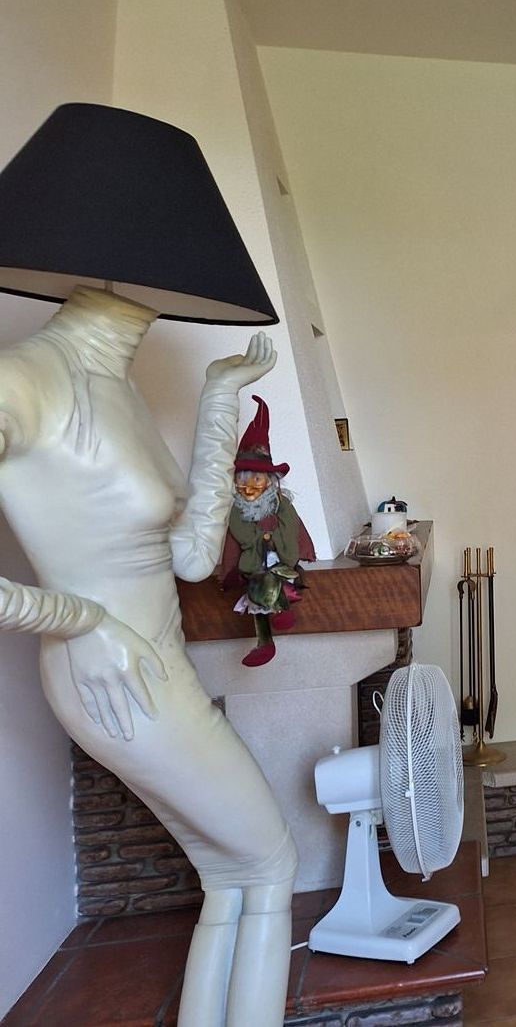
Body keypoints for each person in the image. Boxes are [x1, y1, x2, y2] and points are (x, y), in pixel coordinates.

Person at [0, 285, 295, 1026]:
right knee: (271, 863)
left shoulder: (117, 386)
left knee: (231, 874)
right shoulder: (22, 379)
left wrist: (220, 398)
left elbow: (192, 556)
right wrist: (80, 621)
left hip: (155, 668)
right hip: (117, 676)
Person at [219, 396, 315, 668]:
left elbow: (293, 527)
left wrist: (280, 544)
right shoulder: (238, 511)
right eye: (243, 480)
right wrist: (254, 544)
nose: (249, 487)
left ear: (270, 481)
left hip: (280, 558)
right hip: (253, 562)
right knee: (257, 587)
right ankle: (266, 641)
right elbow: (236, 534)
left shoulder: (281, 505)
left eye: (256, 479)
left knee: (272, 579)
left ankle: (278, 618)